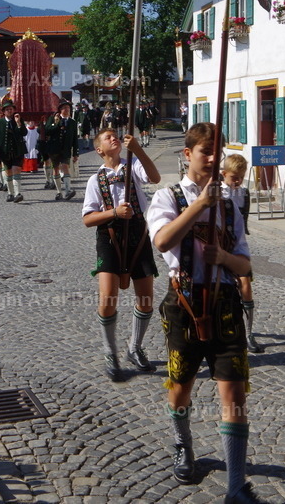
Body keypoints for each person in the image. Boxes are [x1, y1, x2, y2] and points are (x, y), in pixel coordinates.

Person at [146, 123, 264, 504]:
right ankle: (183, 443)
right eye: (204, 151)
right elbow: (162, 240)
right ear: (188, 154)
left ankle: (236, 486)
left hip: (226, 303)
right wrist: (199, 205)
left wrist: (225, 258)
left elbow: (245, 265)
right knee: (180, 387)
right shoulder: (168, 196)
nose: (212, 158)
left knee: (234, 393)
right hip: (184, 302)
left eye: (217, 151)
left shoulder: (231, 204)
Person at [82, 128, 161, 382]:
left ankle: (134, 347)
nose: (113, 138)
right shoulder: (95, 180)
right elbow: (88, 219)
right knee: (107, 298)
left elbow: (155, 177)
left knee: (146, 298)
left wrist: (138, 150)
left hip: (138, 234)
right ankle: (110, 351)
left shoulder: (134, 166)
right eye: (107, 137)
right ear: (99, 150)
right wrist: (114, 213)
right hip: (110, 236)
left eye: (115, 135)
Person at [221, 153, 263, 354]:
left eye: (240, 177)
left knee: (246, 286)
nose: (237, 181)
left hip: (237, 247)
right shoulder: (216, 192)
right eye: (233, 177)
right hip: (220, 248)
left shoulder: (244, 193)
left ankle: (248, 333)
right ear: (224, 175)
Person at [46, 101, 80, 200]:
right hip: (54, 149)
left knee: (65, 167)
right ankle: (58, 192)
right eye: (64, 108)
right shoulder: (53, 119)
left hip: (66, 149)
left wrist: (75, 153)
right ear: (60, 110)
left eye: (68, 108)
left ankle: (68, 190)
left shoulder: (72, 122)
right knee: (55, 169)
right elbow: (48, 130)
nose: (67, 109)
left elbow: (74, 139)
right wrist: (56, 123)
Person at [0, 100, 27, 202]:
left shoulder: (18, 120)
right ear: (4, 111)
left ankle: (18, 193)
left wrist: (18, 123)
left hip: (17, 151)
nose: (9, 111)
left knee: (16, 169)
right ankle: (10, 193)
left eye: (11, 109)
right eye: (7, 109)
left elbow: (24, 133)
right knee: (8, 172)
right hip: (5, 152)